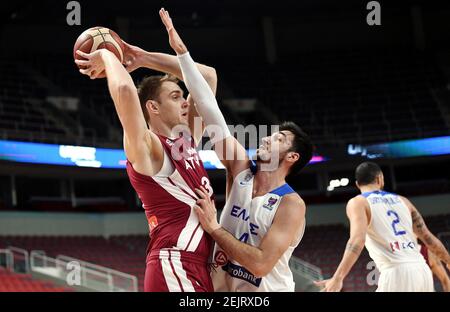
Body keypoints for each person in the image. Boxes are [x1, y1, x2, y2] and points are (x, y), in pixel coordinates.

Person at [159, 9, 313, 291]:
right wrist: (182, 53)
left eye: (279, 140)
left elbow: (261, 264)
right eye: (271, 135)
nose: (267, 139)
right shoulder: (240, 168)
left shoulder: (291, 204)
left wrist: (214, 228)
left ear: (292, 157)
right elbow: (210, 112)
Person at [74, 9, 220, 292]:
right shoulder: (149, 148)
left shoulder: (186, 139)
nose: (186, 102)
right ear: (152, 108)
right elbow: (127, 94)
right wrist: (108, 56)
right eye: (176, 96)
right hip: (174, 263)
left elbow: (207, 76)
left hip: (197, 266)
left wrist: (143, 58)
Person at [315, 161, 450, 292]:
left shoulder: (358, 202)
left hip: (396, 272)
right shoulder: (403, 201)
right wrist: (448, 260)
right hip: (422, 270)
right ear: (380, 179)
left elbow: (357, 240)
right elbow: (427, 237)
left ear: (357, 184)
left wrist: (338, 277)